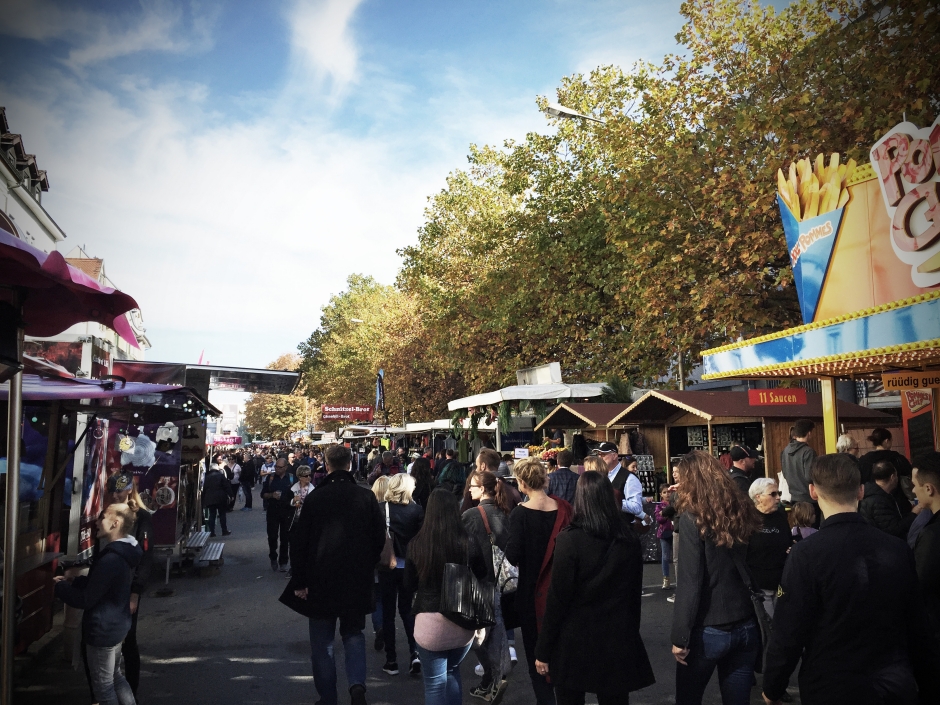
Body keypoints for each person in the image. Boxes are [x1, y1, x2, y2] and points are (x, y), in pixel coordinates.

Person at [761, 453, 940, 705]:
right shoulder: (896, 549)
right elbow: (918, 627)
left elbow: (789, 629)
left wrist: (772, 686)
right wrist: (929, 684)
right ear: (860, 491)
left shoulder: (806, 554)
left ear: (813, 492)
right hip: (892, 683)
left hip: (830, 684)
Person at [535, 472, 655, 704]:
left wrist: (543, 649)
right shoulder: (628, 540)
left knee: (570, 697)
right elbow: (633, 597)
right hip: (616, 637)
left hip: (574, 640)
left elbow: (557, 599)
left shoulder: (569, 540)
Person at [290, 444, 386, 705]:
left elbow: (299, 543)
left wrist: (299, 581)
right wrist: (367, 562)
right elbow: (379, 538)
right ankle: (357, 686)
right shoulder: (365, 497)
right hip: (356, 578)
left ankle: (328, 697)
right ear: (350, 464)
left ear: (327, 465)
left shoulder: (315, 498)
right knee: (354, 634)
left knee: (323, 644)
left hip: (320, 580)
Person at [670, 451, 763, 705]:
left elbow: (690, 581)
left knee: (688, 699)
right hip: (745, 620)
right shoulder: (741, 509)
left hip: (709, 626)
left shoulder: (692, 517)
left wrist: (680, 636)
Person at [405, 489, 488, 705]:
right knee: (452, 671)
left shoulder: (417, 544)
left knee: (434, 682)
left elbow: (408, 585)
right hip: (463, 619)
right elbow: (482, 574)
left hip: (429, 621)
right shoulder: (467, 541)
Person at [55, 503, 142, 705]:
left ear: (115, 523)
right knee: (115, 677)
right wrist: (74, 581)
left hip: (103, 629)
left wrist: (60, 589)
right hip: (116, 626)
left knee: (103, 688)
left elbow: (86, 599)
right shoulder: (124, 552)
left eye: (102, 517)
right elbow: (100, 585)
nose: (97, 522)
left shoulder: (111, 559)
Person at [506, 457, 573, 705]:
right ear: (545, 479)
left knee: (537, 657)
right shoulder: (564, 508)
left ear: (521, 483)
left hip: (531, 592)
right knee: (562, 652)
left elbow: (512, 556)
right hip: (565, 589)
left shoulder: (519, 515)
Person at [462, 469, 514, 702]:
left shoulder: (472, 515)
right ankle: (494, 678)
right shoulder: (505, 512)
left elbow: (463, 549)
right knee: (496, 630)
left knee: (480, 636)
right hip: (503, 581)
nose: (469, 490)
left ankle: (496, 678)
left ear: (483, 488)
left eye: (472, 486)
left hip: (479, 580)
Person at [107, 473, 154, 699]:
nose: (116, 494)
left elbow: (146, 556)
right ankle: (104, 692)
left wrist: (136, 592)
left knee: (128, 640)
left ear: (129, 490)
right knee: (104, 642)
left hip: (127, 586)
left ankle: (130, 692)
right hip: (105, 584)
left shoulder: (141, 517)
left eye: (120, 490)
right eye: (113, 490)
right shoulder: (106, 515)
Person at [378, 473, 425, 677]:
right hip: (410, 567)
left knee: (388, 613)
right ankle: (415, 652)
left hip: (388, 566)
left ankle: (391, 660)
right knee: (408, 611)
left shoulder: (382, 509)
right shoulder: (416, 510)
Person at [746, 478, 791, 618]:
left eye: (779, 493)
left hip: (781, 583)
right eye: (773, 494)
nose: (778, 497)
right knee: (769, 627)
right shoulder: (748, 519)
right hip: (759, 586)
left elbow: (787, 540)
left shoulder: (780, 516)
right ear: (758, 497)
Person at [911, 452, 940, 642]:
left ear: (929, 489)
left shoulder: (931, 535)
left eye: (915, 485)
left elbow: (918, 584)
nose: (913, 491)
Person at [593, 443, 649, 526]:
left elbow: (637, 507)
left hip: (622, 531)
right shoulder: (600, 475)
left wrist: (614, 502)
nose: (600, 457)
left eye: (603, 454)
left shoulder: (629, 477)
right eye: (599, 455)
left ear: (615, 456)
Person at [859, 460, 914, 538]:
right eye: (896, 475)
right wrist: (914, 514)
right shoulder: (878, 502)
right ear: (892, 477)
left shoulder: (875, 494)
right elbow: (894, 530)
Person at [261, 458, 296, 572]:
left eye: (280, 467)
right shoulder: (270, 478)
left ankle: (283, 561)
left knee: (285, 538)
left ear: (285, 467)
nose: (277, 469)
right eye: (276, 467)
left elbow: (296, 494)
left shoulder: (291, 478)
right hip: (273, 511)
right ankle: (273, 556)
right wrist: (271, 495)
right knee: (272, 536)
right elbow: (263, 494)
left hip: (287, 512)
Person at [370, 476, 391, 651]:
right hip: (392, 560)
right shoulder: (395, 509)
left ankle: (379, 627)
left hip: (374, 560)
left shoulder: (370, 509)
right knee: (389, 598)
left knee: (376, 599)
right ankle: (387, 627)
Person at [780, 419, 816, 505]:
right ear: (809, 433)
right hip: (809, 498)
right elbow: (810, 476)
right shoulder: (808, 452)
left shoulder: (785, 450)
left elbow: (785, 474)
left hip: (793, 498)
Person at [202, 462, 233, 537]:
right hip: (221, 497)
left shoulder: (206, 476)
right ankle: (224, 530)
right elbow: (226, 486)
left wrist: (203, 499)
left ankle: (212, 532)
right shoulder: (221, 475)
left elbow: (204, 488)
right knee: (222, 514)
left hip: (210, 498)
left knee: (212, 515)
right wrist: (231, 495)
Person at [656, 503, 676, 590]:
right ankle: (666, 579)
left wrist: (665, 513)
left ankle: (680, 579)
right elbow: (659, 519)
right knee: (665, 557)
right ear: (661, 494)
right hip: (664, 534)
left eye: (668, 492)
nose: (667, 494)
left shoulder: (674, 503)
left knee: (677, 557)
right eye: (664, 492)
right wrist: (667, 514)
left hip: (676, 532)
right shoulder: (659, 506)